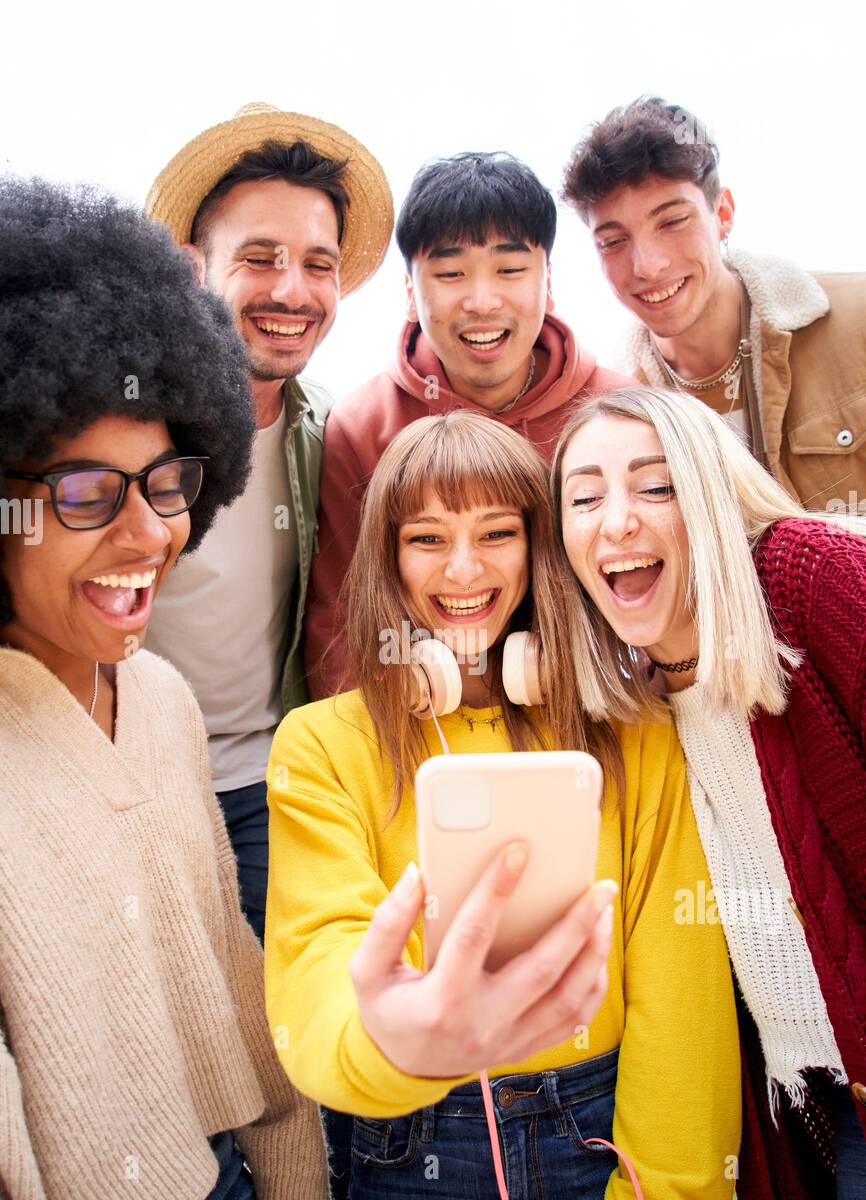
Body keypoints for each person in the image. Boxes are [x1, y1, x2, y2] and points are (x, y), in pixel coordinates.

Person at [265, 410, 741, 1200]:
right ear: (387, 559)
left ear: (542, 550)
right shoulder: (320, 747)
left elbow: (685, 1023)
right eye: (427, 539)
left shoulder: (636, 739)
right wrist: (401, 1047)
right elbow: (316, 980)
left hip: (597, 1165)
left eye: (497, 533)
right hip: (408, 1172)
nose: (463, 570)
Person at [0, 177, 332, 1200]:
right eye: (87, 491)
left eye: (168, 483)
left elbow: (228, 974)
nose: (150, 533)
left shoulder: (163, 702)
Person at [551, 384, 866, 1200]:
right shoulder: (637, 706)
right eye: (584, 497)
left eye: (654, 487)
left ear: (713, 492)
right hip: (816, 1109)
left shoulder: (811, 579)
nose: (616, 522)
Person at [144, 103, 393, 939]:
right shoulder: (117, 427)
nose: (292, 291)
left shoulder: (337, 437)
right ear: (191, 267)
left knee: (274, 1033)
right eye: (260, 258)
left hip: (267, 787)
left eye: (317, 265)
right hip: (124, 780)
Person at [304, 151, 632, 698]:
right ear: (411, 293)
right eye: (451, 273)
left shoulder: (620, 413)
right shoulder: (362, 428)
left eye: (509, 270)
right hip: (425, 733)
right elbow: (339, 621)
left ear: (547, 282)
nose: (482, 301)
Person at [561, 97, 866, 516]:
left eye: (672, 221)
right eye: (613, 242)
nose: (648, 266)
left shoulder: (856, 319)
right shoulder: (620, 403)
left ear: (722, 213)